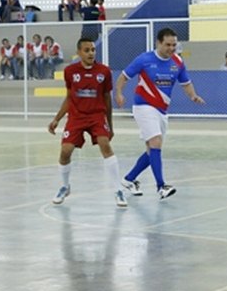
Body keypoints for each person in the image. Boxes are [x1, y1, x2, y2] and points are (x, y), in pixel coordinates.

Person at [115, 27, 205, 200]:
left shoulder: (177, 62)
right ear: (158, 43)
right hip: (143, 107)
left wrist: (193, 95)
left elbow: (185, 82)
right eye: (168, 45)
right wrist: (118, 93)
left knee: (151, 150)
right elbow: (124, 77)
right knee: (156, 142)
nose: (171, 48)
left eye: (174, 45)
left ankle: (129, 179)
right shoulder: (144, 59)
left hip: (162, 111)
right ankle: (161, 186)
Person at [48, 37, 127, 208]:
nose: (91, 53)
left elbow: (107, 99)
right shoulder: (70, 71)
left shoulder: (104, 72)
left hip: (97, 116)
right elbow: (69, 98)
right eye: (87, 50)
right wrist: (57, 119)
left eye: (93, 49)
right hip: (76, 116)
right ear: (79, 53)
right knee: (65, 151)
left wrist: (110, 126)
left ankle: (118, 190)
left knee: (105, 144)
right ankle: (65, 186)